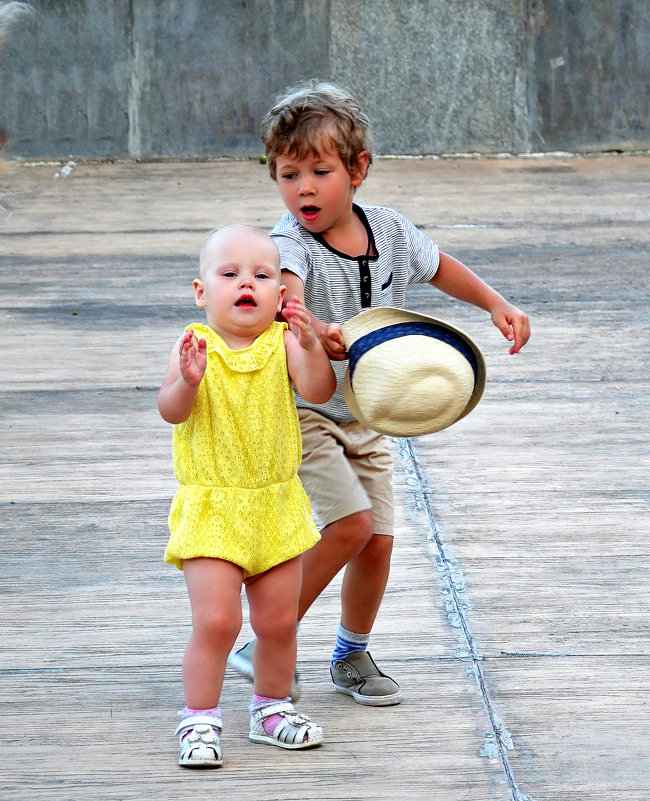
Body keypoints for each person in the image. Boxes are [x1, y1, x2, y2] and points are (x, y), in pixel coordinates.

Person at [227, 81, 531, 707]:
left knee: (379, 540)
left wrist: (495, 303)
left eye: (319, 171)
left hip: (369, 414)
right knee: (350, 525)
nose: (303, 189)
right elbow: (287, 300)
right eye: (287, 175)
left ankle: (351, 653)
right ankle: (264, 635)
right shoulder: (290, 243)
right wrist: (308, 330)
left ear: (358, 169)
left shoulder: (386, 228)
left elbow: (439, 265)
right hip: (305, 413)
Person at [159, 224, 336, 767]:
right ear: (201, 291)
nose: (246, 284)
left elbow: (318, 390)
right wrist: (187, 381)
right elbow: (171, 409)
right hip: (213, 504)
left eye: (261, 276)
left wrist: (310, 345)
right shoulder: (195, 345)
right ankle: (199, 720)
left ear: (280, 296)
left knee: (278, 622)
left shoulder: (281, 343)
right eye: (230, 273)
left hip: (275, 504)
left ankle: (271, 709)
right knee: (217, 622)